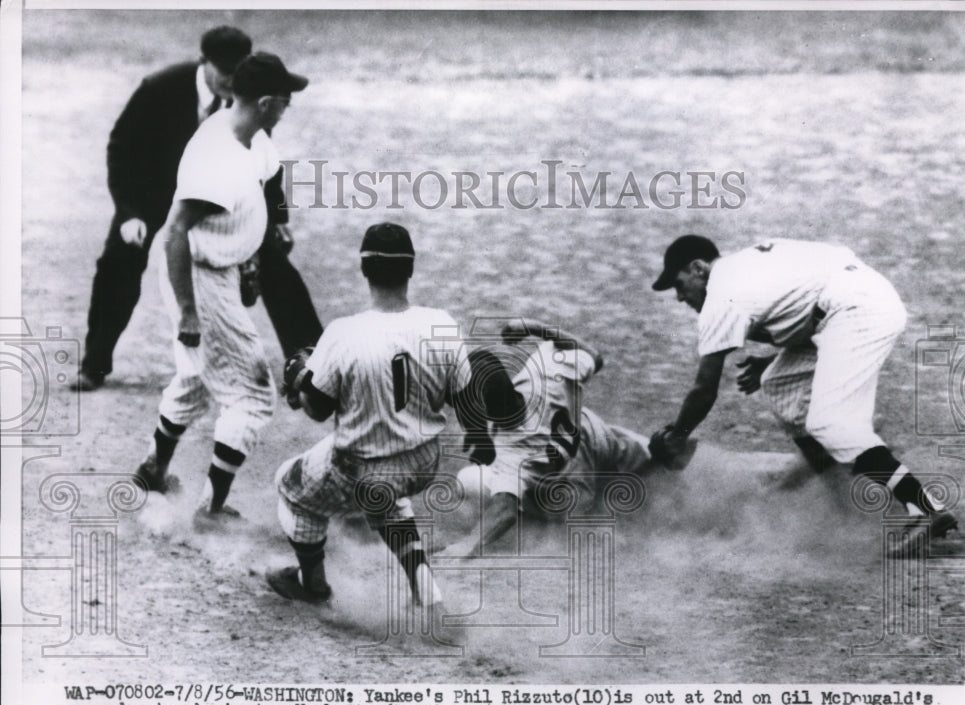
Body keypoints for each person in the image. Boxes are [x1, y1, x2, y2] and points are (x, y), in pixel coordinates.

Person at [648, 234, 958, 556]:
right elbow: (803, 300)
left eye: (679, 284)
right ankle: (840, 485)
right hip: (851, 302)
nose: (679, 297)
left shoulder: (721, 295)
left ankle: (927, 508)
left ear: (698, 268)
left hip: (856, 312)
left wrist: (677, 435)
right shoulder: (744, 264)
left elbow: (704, 388)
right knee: (780, 383)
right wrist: (772, 360)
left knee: (831, 423)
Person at [74, 26, 321, 391]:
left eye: (237, 74)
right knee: (119, 261)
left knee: (272, 259)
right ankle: (94, 363)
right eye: (224, 73)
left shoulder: (248, 95)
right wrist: (128, 213)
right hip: (154, 193)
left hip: (217, 194)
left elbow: (265, 160)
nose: (230, 82)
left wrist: (278, 218)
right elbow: (120, 149)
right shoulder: (159, 88)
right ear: (203, 62)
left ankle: (312, 364)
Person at [266, 222, 484, 607]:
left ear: (365, 270)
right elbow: (466, 397)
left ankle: (312, 584)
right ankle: (428, 597)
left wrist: (300, 378)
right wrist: (479, 437)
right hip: (423, 462)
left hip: (362, 468)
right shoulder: (441, 324)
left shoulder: (343, 333)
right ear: (410, 270)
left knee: (291, 487)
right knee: (387, 499)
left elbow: (317, 410)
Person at [133, 52, 309, 530]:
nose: (288, 107)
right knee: (252, 394)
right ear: (268, 103)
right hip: (199, 277)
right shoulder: (215, 159)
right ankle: (212, 511)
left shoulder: (251, 136)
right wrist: (190, 314)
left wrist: (254, 252)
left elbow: (266, 181)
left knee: (197, 377)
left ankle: (153, 471)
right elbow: (172, 234)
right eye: (285, 100)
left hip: (223, 269)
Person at [456, 318, 652, 555]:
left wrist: (465, 546)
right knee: (658, 459)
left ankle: (560, 522)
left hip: (572, 500)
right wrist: (534, 328)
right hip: (604, 446)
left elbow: (505, 509)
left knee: (469, 480)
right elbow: (593, 356)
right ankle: (650, 462)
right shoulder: (545, 372)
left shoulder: (512, 450)